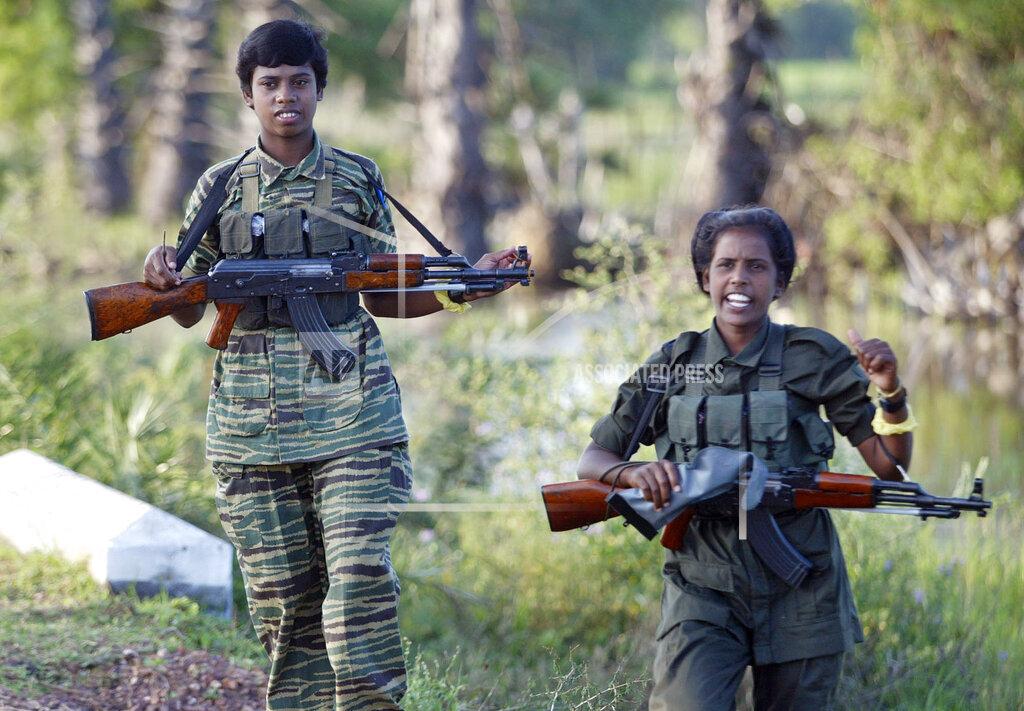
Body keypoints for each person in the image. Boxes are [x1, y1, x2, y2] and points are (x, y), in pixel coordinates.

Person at [142, 19, 527, 711]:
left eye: (299, 81)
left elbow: (380, 291)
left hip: (354, 414)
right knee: (287, 608)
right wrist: (160, 279)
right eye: (270, 84)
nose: (286, 95)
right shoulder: (219, 187)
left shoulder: (356, 178)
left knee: (359, 584)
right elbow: (188, 306)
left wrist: (463, 287)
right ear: (248, 95)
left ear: (319, 89)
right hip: (250, 432)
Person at [577, 206, 916, 710]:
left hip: (802, 584)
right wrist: (631, 471)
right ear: (704, 277)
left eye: (757, 266)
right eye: (726, 265)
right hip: (703, 583)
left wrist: (889, 390)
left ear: (779, 281)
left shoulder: (814, 356)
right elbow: (593, 458)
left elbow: (890, 466)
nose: (740, 278)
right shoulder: (673, 364)